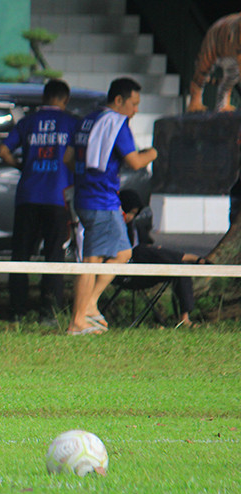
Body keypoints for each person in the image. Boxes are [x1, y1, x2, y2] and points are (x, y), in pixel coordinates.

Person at [64, 77, 158, 335]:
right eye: (134, 104)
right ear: (119, 100)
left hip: (85, 197)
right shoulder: (117, 124)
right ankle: (78, 320)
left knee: (122, 253)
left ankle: (89, 306)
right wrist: (153, 153)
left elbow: (68, 159)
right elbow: (135, 162)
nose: (135, 110)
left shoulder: (85, 120)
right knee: (92, 261)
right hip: (101, 201)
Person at [0, 79, 79, 324]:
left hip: (28, 196)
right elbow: (70, 157)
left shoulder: (27, 122)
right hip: (57, 198)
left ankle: (17, 311)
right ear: (65, 100)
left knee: (21, 255)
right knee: (54, 256)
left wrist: (22, 166)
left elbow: (2, 150)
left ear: (44, 98)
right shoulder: (72, 123)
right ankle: (49, 313)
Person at [119, 189, 205, 328]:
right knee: (140, 250)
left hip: (145, 269)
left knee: (180, 268)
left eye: (135, 213)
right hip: (124, 272)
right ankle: (190, 257)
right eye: (130, 212)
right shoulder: (114, 226)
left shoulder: (136, 227)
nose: (131, 217)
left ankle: (184, 319)